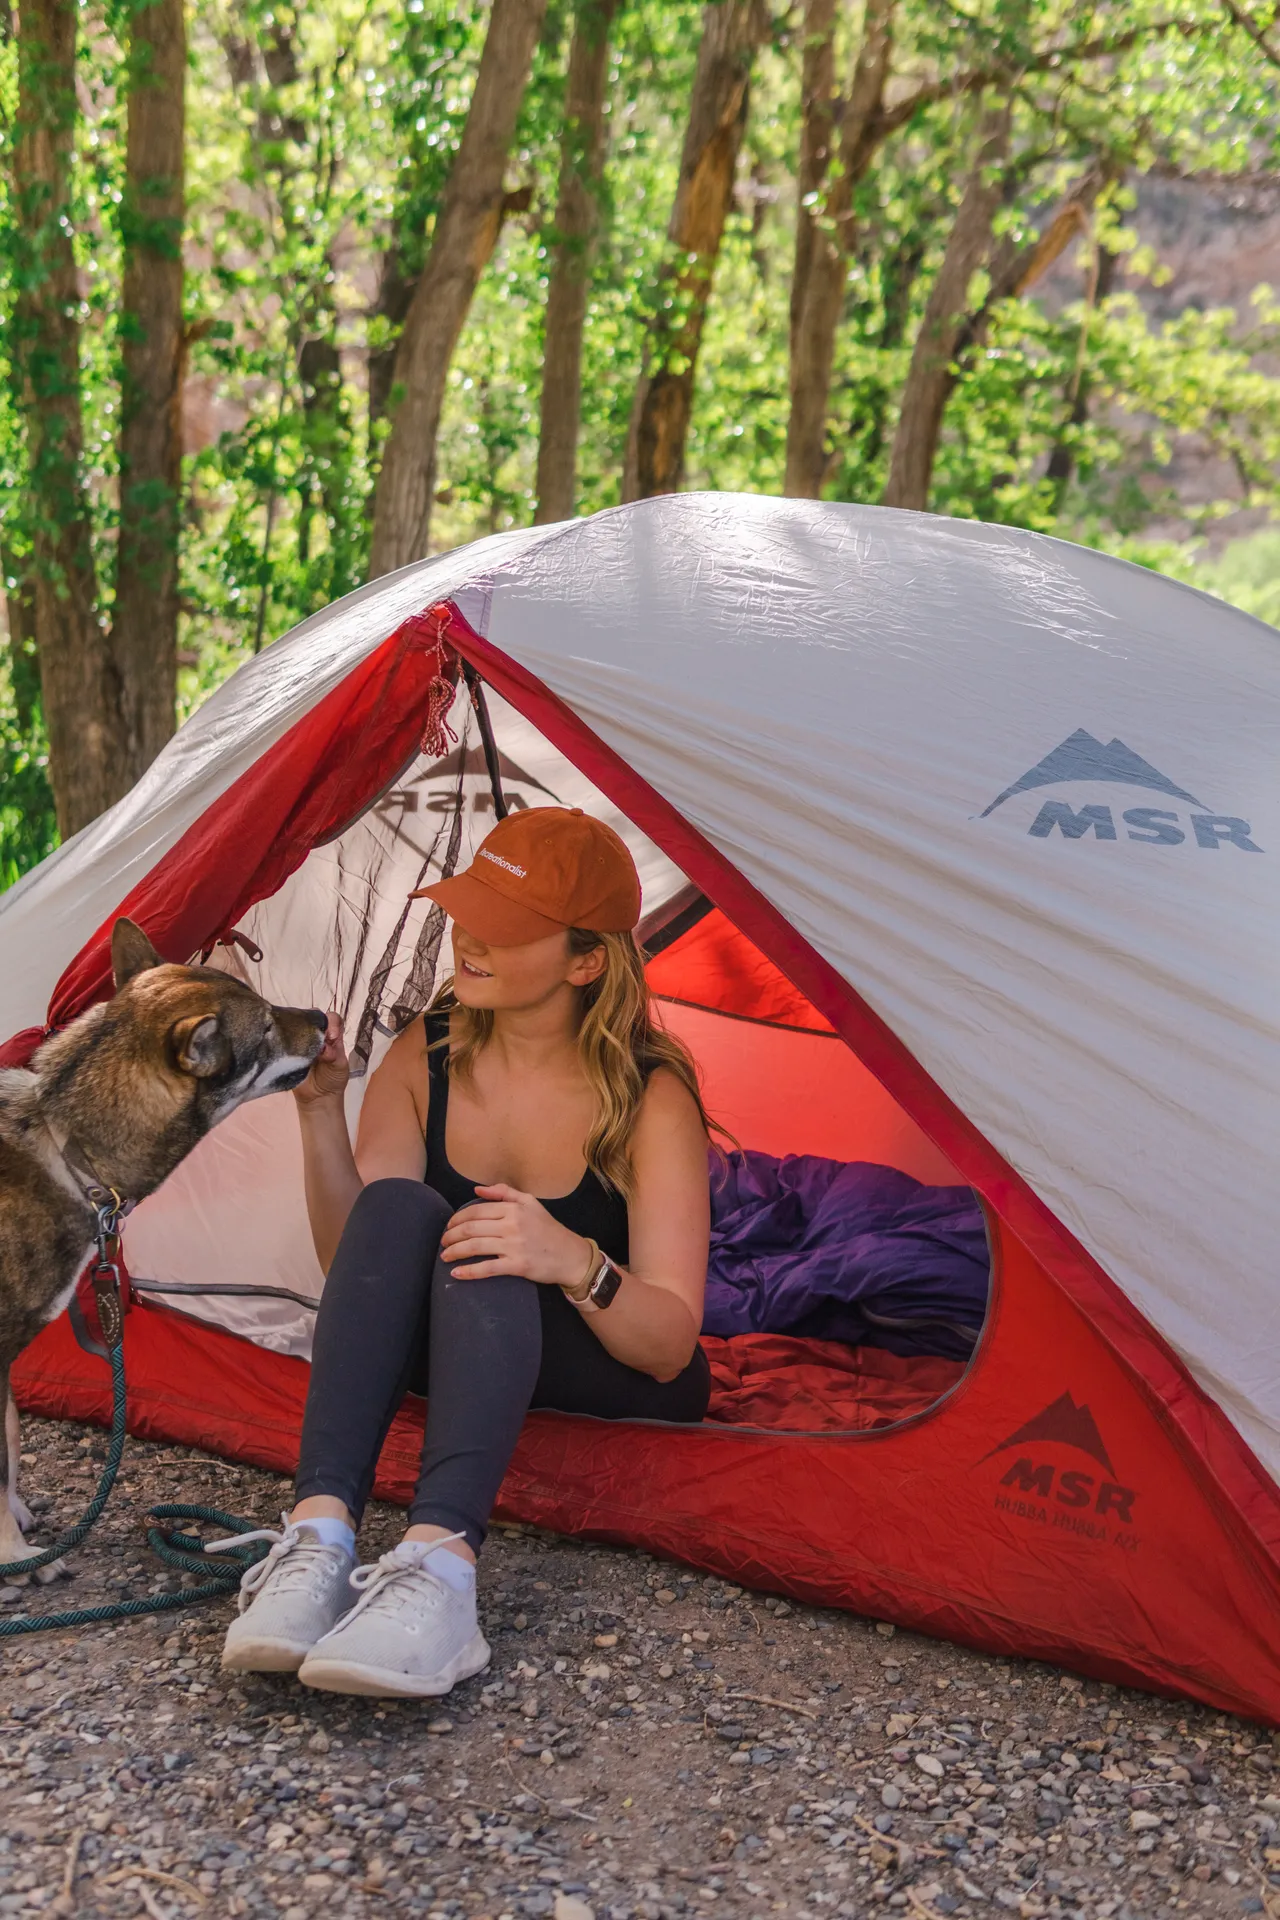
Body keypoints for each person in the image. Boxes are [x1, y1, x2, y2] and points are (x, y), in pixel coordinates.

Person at [219, 805, 713, 1698]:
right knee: (410, 1212)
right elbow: (358, 1263)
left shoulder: (653, 1096)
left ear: (587, 961)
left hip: (600, 1356)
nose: (468, 939)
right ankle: (320, 1537)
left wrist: (571, 1260)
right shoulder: (428, 1051)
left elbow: (673, 1341)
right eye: (466, 910)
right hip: (459, 1341)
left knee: (484, 1248)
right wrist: (320, 1107)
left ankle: (440, 1572)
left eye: (506, 929)